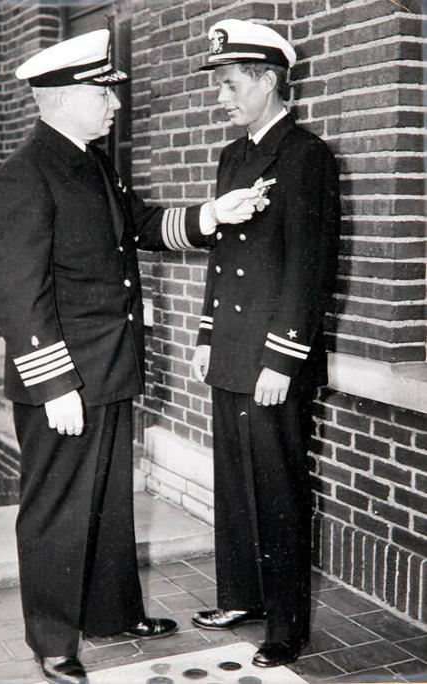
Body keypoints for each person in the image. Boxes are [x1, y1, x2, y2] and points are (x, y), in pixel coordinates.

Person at [0, 29, 257, 684]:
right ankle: (54, 641)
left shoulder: (90, 162)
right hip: (64, 378)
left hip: (106, 367)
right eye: (105, 91)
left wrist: (210, 215)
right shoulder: (27, 172)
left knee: (108, 501)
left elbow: (139, 225)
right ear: (67, 95)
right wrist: (54, 384)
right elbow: (19, 293)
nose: (114, 103)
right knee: (56, 508)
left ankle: (112, 615)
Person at [191, 19, 341, 668]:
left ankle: (285, 625)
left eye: (228, 84)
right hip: (230, 347)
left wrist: (283, 356)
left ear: (267, 80)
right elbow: (223, 255)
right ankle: (242, 596)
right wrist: (204, 331)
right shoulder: (233, 156)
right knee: (233, 479)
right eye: (219, 84)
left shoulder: (306, 157)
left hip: (273, 358)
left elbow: (311, 268)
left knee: (278, 489)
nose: (219, 97)